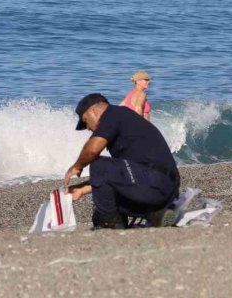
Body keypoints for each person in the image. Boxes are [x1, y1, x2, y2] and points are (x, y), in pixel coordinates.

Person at [64, 93, 179, 229]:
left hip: (154, 180)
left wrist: (77, 166)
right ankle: (156, 215)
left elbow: (93, 150)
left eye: (85, 121)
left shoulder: (112, 114)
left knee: (98, 164)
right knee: (101, 209)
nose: (88, 127)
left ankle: (111, 224)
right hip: (164, 188)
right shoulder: (124, 119)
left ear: (94, 112)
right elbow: (118, 176)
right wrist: (82, 189)